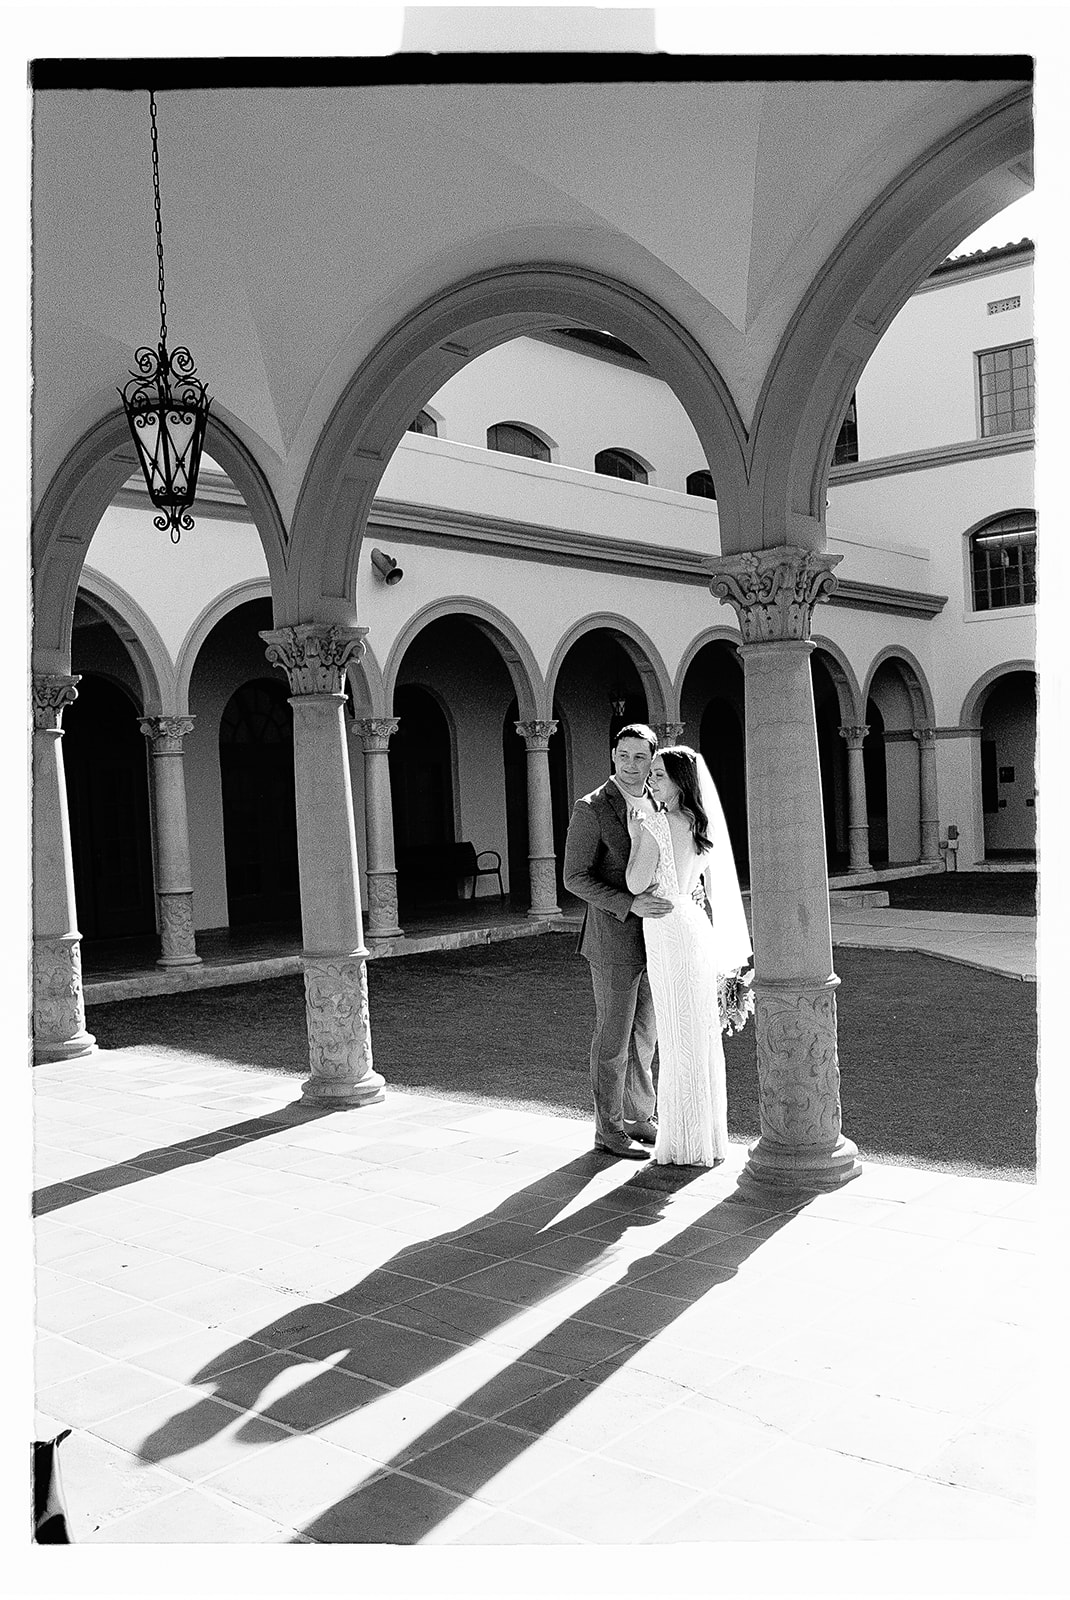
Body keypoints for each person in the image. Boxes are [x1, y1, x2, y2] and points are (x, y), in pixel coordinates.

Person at [625, 745, 752, 1167]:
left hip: (666, 926)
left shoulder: (657, 825)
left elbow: (635, 881)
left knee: (677, 1034)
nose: (651, 780)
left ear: (680, 781)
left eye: (659, 774)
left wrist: (637, 835)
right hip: (693, 922)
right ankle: (708, 1137)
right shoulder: (699, 823)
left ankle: (682, 1143)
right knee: (696, 1032)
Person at [563, 724, 672, 1160]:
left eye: (640, 758)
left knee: (646, 1033)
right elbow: (574, 878)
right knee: (613, 1040)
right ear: (613, 755)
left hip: (660, 939)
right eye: (624, 756)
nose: (631, 766)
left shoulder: (659, 802)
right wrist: (629, 904)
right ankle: (607, 1131)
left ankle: (639, 1116)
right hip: (613, 941)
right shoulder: (591, 808)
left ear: (652, 760)